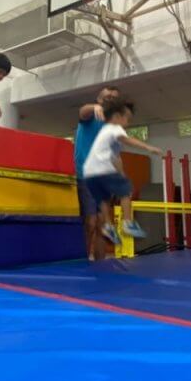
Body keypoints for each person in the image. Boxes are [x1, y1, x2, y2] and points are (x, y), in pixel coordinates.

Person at [82, 97, 163, 245]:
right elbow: (128, 140)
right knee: (126, 191)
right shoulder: (115, 128)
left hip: (89, 173)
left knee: (103, 199)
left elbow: (114, 158)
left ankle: (108, 226)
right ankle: (127, 223)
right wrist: (148, 147)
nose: (128, 123)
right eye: (127, 119)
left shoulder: (104, 131)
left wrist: (120, 173)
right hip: (102, 169)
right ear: (117, 117)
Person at [74, 85, 121, 261]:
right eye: (107, 96)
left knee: (103, 224)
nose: (110, 99)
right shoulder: (91, 115)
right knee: (91, 222)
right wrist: (94, 107)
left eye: (114, 98)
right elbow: (82, 111)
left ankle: (101, 265)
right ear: (99, 98)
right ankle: (84, 261)